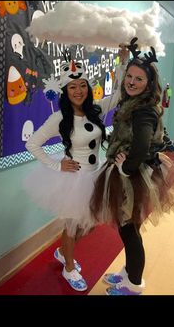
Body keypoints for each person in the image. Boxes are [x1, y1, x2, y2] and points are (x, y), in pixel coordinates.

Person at [90, 37, 174, 295]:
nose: (132, 82)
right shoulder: (137, 103)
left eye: (139, 79)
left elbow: (141, 145)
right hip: (134, 171)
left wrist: (127, 169)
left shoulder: (143, 110)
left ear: (149, 83)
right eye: (130, 77)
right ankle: (128, 272)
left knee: (129, 231)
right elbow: (160, 135)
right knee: (130, 227)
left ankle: (134, 284)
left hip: (133, 174)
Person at [25, 49, 126, 292]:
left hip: (95, 174)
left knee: (88, 223)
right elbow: (32, 143)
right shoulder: (59, 117)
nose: (78, 91)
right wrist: (56, 164)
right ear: (65, 91)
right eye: (73, 87)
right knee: (72, 226)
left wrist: (122, 63)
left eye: (82, 85)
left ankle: (61, 251)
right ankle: (68, 267)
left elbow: (119, 94)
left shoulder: (96, 110)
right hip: (74, 179)